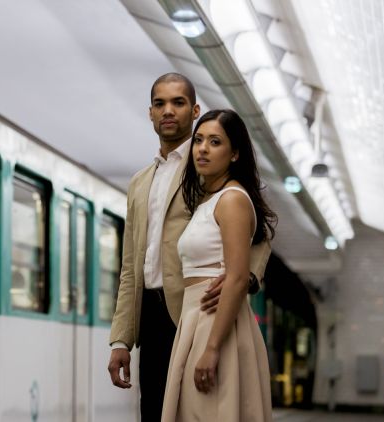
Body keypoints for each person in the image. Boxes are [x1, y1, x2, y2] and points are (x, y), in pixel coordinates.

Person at [107, 73, 271, 420]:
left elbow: (258, 231)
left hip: (193, 311)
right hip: (149, 314)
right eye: (159, 104)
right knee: (154, 411)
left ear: (194, 110)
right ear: (150, 113)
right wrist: (121, 339)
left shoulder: (208, 169)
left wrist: (243, 280)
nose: (168, 111)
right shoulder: (139, 182)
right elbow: (130, 266)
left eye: (178, 103)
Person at [161, 109, 277, 421]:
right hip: (197, 320)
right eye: (199, 140)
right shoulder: (208, 199)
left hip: (215, 324)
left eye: (215, 142)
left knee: (209, 411)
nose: (202, 148)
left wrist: (212, 349)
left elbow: (238, 278)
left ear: (235, 153)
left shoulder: (232, 200)